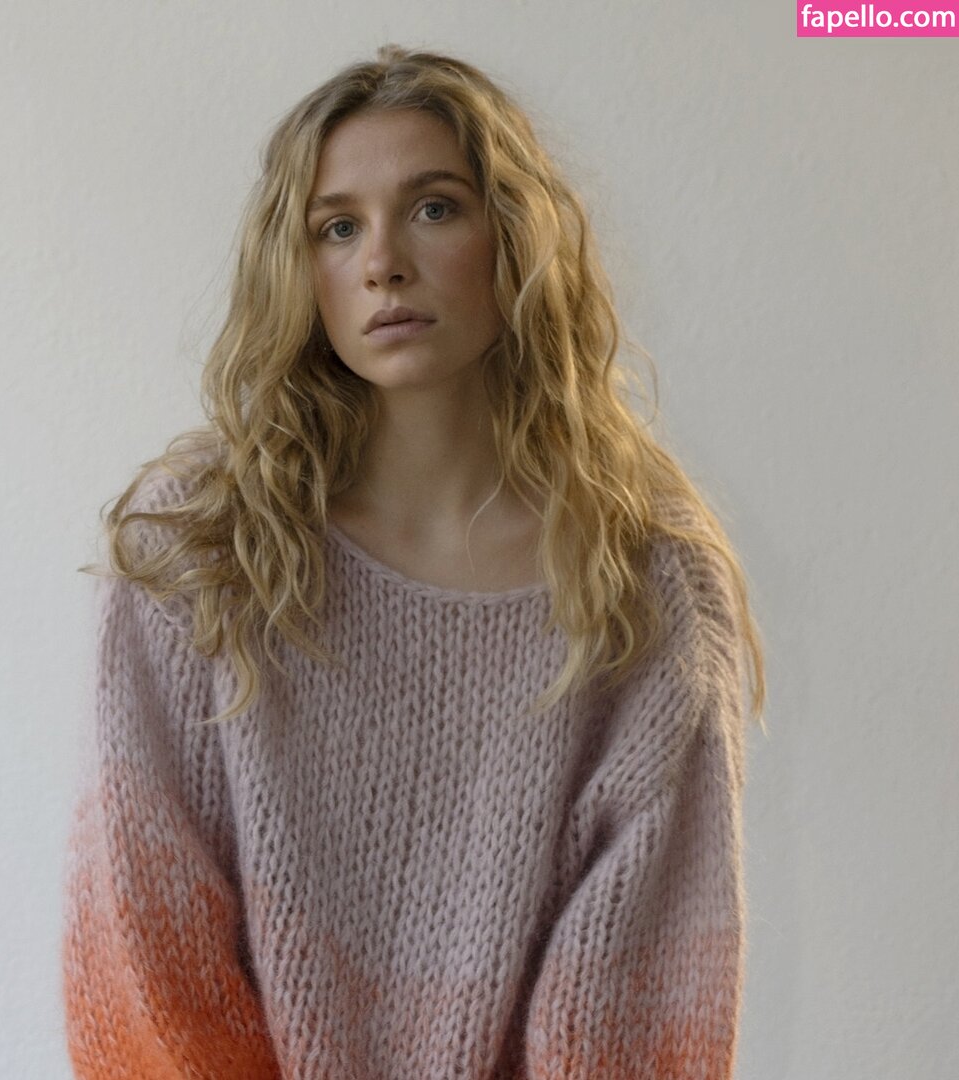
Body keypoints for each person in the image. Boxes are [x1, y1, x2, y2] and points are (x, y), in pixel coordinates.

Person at [61, 42, 767, 1080]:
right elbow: (144, 963)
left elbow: (640, 998)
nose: (383, 262)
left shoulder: (640, 578)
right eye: (337, 226)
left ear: (513, 237)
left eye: (434, 208)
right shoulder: (198, 551)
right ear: (296, 266)